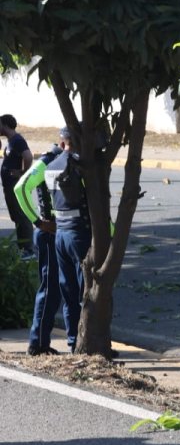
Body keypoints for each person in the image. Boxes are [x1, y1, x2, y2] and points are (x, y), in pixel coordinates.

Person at [14, 128, 67, 355]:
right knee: (50, 289)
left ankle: (43, 342)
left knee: (65, 289)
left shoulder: (69, 160)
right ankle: (37, 344)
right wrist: (38, 221)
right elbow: (21, 188)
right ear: (63, 143)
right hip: (48, 233)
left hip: (63, 231)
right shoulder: (48, 161)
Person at [43, 129, 90, 353]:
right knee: (86, 292)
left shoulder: (51, 166)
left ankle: (73, 342)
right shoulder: (81, 165)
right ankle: (87, 341)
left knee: (69, 292)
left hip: (60, 234)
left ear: (62, 142)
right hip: (78, 233)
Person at [1, 114, 35, 255]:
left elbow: (28, 156)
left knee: (21, 215)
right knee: (16, 216)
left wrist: (23, 173)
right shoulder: (11, 141)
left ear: (5, 125)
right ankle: (23, 247)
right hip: (9, 185)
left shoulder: (17, 140)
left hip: (15, 185)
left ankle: (28, 250)